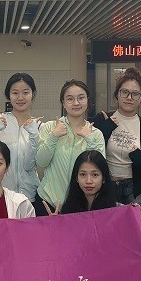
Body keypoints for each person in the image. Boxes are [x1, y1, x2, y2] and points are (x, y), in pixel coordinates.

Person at [91, 67, 141, 206]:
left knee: (137, 220)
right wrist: (105, 131)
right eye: (125, 92)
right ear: (117, 94)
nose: (129, 98)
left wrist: (138, 158)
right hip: (106, 186)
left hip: (134, 189)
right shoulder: (103, 119)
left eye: (135, 94)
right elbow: (92, 155)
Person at [35, 79, 105, 216]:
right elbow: (41, 162)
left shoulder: (95, 134)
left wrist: (89, 139)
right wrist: (53, 136)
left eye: (81, 98)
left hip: (80, 204)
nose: (76, 103)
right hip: (47, 201)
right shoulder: (50, 127)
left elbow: (99, 169)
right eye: (70, 99)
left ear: (87, 100)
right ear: (63, 102)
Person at [0, 73, 42, 204]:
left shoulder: (38, 126)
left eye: (25, 92)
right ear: (8, 95)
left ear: (32, 94)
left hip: (29, 195)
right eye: (15, 93)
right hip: (0, 194)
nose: (20, 97)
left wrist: (34, 135)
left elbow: (29, 165)